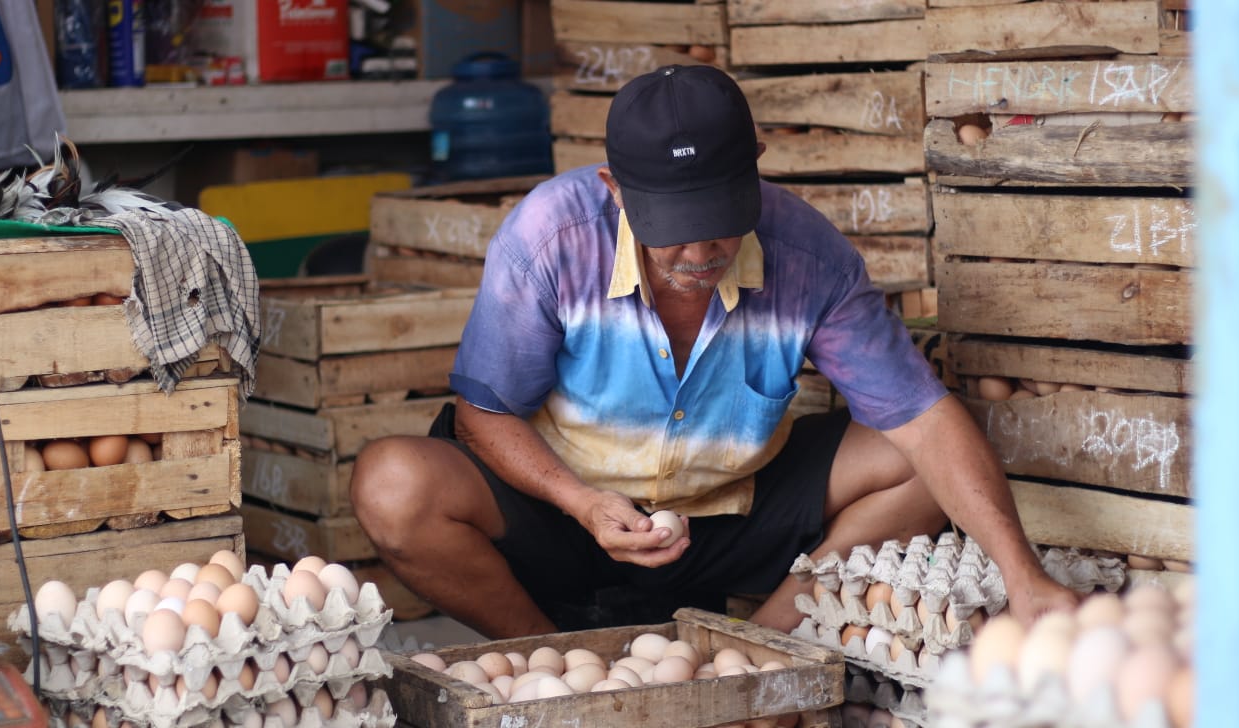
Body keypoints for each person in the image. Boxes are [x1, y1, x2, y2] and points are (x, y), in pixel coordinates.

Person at [350, 64, 1079, 639]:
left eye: (723, 221)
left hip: (730, 512)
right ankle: (556, 660)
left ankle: (752, 648)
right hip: (567, 514)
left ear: (754, 172)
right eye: (675, 227)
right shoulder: (550, 239)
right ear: (616, 189)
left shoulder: (809, 256)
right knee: (392, 482)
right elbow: (484, 416)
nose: (702, 252)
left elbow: (922, 419)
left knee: (923, 463)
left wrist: (1022, 574)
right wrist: (582, 503)